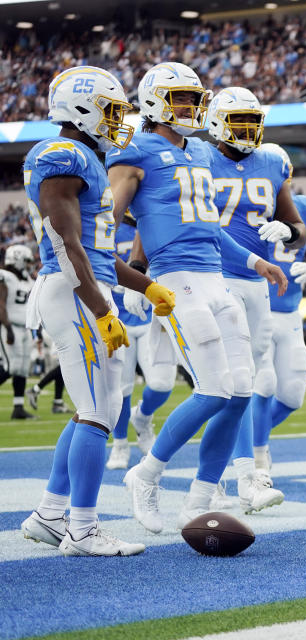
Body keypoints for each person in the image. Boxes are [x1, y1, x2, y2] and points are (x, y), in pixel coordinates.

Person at [107, 62, 287, 533]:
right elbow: (107, 222)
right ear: (153, 101)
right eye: (179, 98)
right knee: (211, 390)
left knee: (240, 391)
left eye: (193, 98)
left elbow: (209, 228)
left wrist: (255, 263)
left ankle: (199, 499)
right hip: (176, 278)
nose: (189, 107)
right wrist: (137, 280)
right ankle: (144, 475)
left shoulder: (202, 153)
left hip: (215, 277)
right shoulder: (136, 149)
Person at [19, 66, 178, 556]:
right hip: (72, 293)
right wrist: (100, 308)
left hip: (86, 289)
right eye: (111, 109)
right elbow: (66, 246)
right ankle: (82, 529)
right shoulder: (62, 154)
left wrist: (148, 287)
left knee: (104, 410)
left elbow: (98, 252)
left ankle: (50, 513)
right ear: (81, 108)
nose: (118, 119)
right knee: (93, 412)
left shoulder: (84, 156)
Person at [207, 90, 306, 512]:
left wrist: (289, 233)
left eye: (252, 121)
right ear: (215, 122)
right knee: (235, 379)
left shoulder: (271, 162)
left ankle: (219, 474)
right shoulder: (198, 157)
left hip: (257, 283)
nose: (248, 130)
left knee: (247, 380)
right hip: (215, 277)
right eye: (238, 121)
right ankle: (245, 474)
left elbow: (297, 225)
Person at [248, 192, 306, 477]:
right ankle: (257, 456)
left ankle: (242, 439)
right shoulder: (250, 203)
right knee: (264, 384)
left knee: (292, 396)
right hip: (259, 309)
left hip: (291, 313)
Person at [105, 216, 178, 470]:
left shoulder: (154, 219)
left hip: (151, 318)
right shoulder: (106, 222)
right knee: (120, 388)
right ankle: (120, 443)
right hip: (116, 316)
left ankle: (143, 417)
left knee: (162, 383)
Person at [0, 245, 37, 419]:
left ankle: (18, 407)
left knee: (22, 369)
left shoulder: (27, 279)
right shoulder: (4, 276)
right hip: (10, 326)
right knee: (9, 367)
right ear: (17, 259)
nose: (30, 265)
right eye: (27, 261)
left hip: (25, 328)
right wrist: (7, 328)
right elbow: (1, 304)